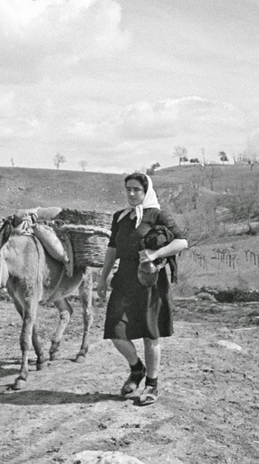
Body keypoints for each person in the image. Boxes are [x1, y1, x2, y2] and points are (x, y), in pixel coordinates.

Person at [97, 173, 189, 406]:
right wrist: (103, 277)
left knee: (150, 333)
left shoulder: (157, 215)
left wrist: (155, 254)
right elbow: (112, 248)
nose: (131, 193)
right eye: (128, 189)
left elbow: (181, 242)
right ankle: (137, 368)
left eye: (136, 189)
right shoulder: (120, 217)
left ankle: (151, 385)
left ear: (145, 190)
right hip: (124, 279)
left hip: (150, 280)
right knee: (115, 330)